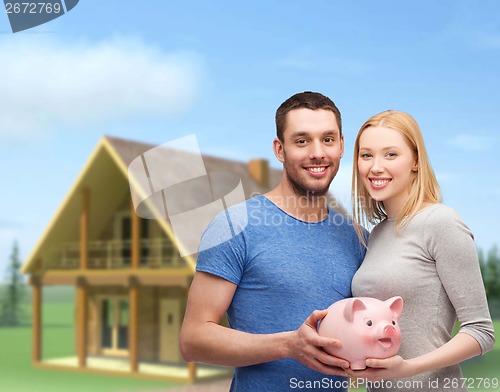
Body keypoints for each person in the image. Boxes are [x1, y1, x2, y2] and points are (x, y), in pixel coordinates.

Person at [180, 91, 366, 391]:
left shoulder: (357, 238)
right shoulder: (234, 226)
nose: (317, 152)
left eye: (328, 139)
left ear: (342, 146)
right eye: (302, 141)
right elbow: (193, 339)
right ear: (280, 149)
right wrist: (288, 345)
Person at [348, 110, 495, 391]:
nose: (375, 167)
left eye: (390, 154)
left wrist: (408, 368)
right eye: (367, 155)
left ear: (416, 161)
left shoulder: (441, 222)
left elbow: (481, 332)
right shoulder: (377, 234)